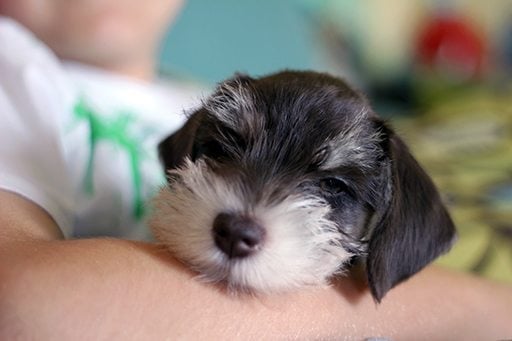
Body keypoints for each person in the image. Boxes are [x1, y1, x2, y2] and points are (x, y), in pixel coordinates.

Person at [0, 1, 511, 340]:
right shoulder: (16, 69)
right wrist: (472, 308)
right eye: (226, 149)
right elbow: (19, 303)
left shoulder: (194, 94)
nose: (245, 216)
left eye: (332, 187)